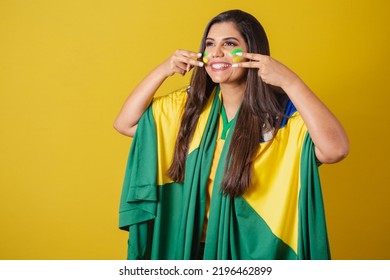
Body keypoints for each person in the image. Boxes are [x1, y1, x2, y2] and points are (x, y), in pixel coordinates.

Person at [114, 9, 349, 260]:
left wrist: (291, 82)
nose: (216, 53)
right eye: (210, 44)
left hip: (251, 251)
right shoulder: (191, 106)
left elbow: (335, 150)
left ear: (254, 52)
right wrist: (163, 70)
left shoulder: (280, 115)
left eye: (229, 44)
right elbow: (126, 123)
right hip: (191, 247)